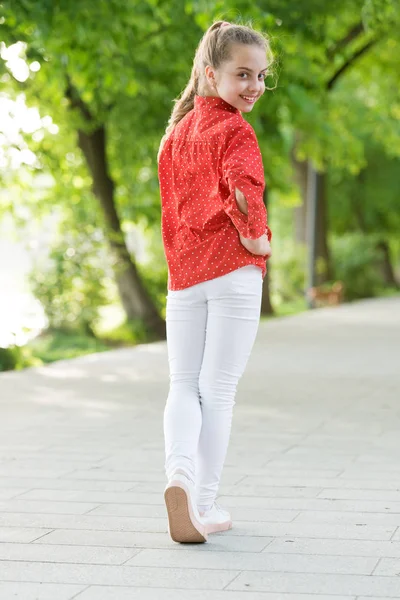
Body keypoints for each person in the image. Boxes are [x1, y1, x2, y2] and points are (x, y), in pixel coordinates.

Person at [158, 20, 274, 543]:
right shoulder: (234, 130)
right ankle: (202, 504)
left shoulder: (174, 136)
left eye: (261, 76)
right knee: (218, 391)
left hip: (184, 277)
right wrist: (256, 237)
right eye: (242, 74)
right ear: (211, 74)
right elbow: (244, 190)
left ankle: (178, 476)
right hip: (231, 271)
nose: (253, 86)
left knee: (183, 384)